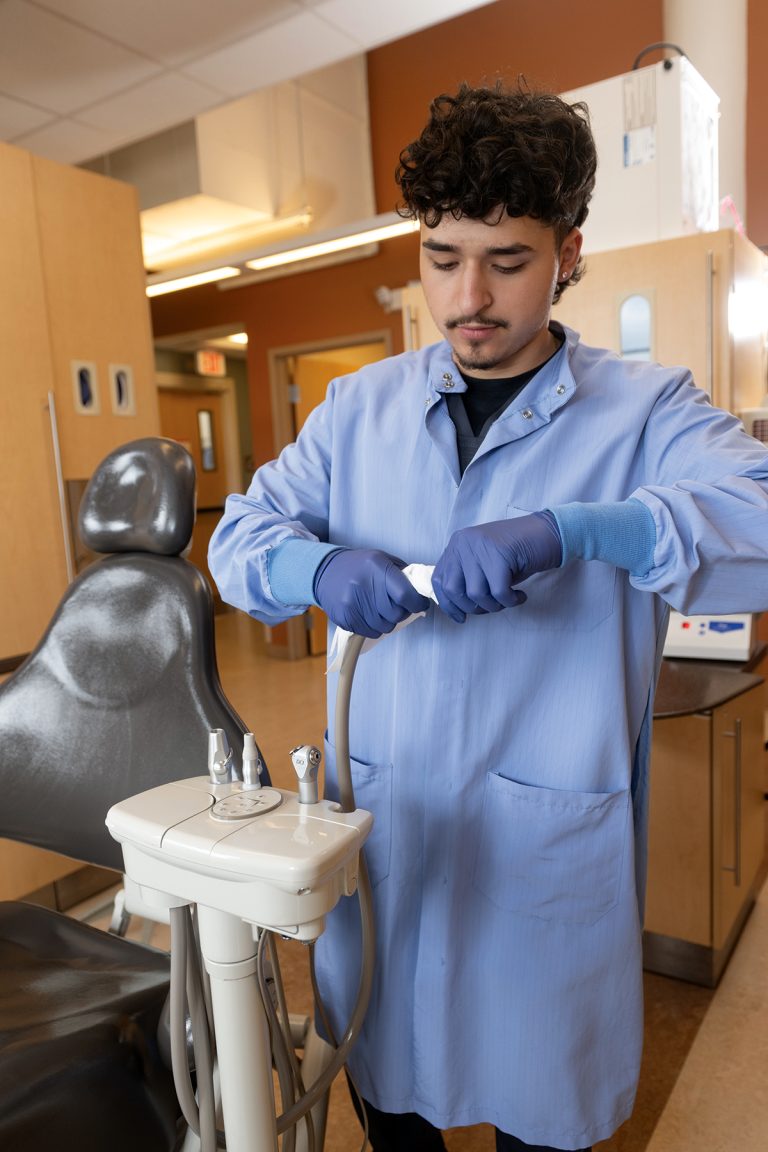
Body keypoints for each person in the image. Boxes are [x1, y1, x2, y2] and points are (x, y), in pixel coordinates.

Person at [208, 81, 768, 1152]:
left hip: (544, 851)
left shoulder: (645, 410)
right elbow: (239, 540)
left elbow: (761, 519)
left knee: (541, 1111)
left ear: (569, 253)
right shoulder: (357, 410)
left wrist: (575, 531)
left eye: (507, 262)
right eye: (440, 258)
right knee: (387, 1095)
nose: (469, 297)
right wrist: (317, 570)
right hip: (389, 847)